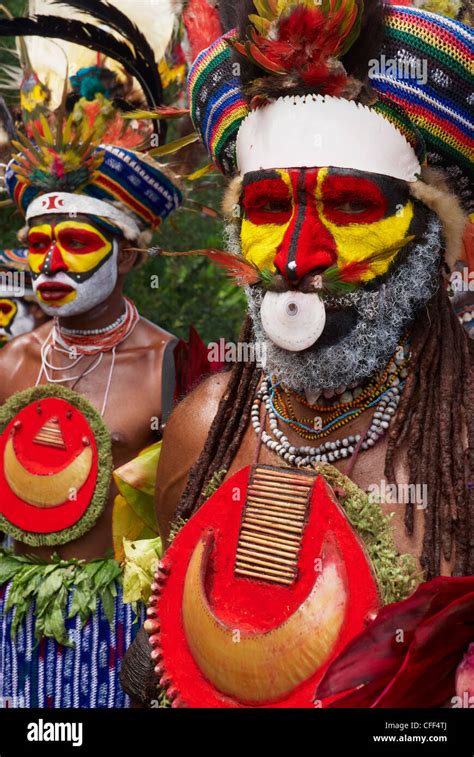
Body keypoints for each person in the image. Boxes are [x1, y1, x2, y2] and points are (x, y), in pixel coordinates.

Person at [121, 0, 473, 708]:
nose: (294, 256)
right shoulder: (202, 427)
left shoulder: (461, 443)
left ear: (426, 235)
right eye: (270, 209)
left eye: (347, 207)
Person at [0, 0, 183, 708]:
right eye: (39, 245)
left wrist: (156, 636)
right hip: (12, 617)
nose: (51, 263)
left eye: (76, 242)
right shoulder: (13, 359)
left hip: (113, 633)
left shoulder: (165, 366)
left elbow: (185, 518)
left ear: (130, 253)